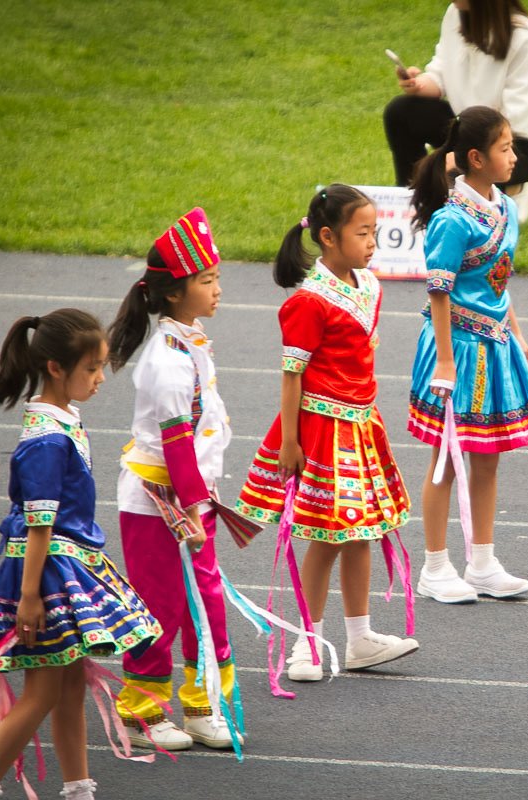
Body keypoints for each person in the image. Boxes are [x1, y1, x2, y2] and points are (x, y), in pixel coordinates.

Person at [0, 309, 161, 800]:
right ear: (56, 367)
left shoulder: (62, 419)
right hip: (49, 573)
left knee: (71, 685)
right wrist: (30, 596)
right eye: (91, 368)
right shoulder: (48, 438)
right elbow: (39, 523)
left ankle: (79, 790)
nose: (99, 379)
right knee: (43, 693)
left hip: (67, 563)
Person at [235, 185, 416, 681]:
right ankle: (306, 642)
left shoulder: (370, 287)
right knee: (327, 537)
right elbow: (292, 374)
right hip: (321, 431)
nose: (373, 241)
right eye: (363, 233)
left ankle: (359, 638)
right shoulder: (309, 301)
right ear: (328, 238)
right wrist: (291, 442)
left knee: (363, 532)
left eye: (375, 232)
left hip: (360, 426)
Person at [408, 105, 528, 604]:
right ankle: (435, 566)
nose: (515, 157)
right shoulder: (452, 221)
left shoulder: (505, 209)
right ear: (476, 158)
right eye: (505, 148)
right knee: (445, 461)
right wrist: (446, 361)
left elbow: (499, 282)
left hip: (495, 347)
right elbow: (440, 291)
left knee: (489, 457)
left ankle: (482, 561)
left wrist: (515, 331)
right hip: (457, 348)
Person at [107, 208, 241, 750]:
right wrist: (191, 511)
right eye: (207, 281)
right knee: (159, 604)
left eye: (215, 278)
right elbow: (176, 442)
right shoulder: (167, 360)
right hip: (157, 501)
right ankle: (140, 707)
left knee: (201, 602)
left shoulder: (190, 341)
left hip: (190, 498)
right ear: (172, 293)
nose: (218, 290)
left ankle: (200, 700)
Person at [384, 0, 528, 221]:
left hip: (518, 143)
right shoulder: (455, 13)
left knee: (458, 190)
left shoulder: (524, 37)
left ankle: (512, 189)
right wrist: (418, 84)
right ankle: (409, 200)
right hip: (469, 127)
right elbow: (440, 71)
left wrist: (459, 157)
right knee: (401, 112)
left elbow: (512, 124)